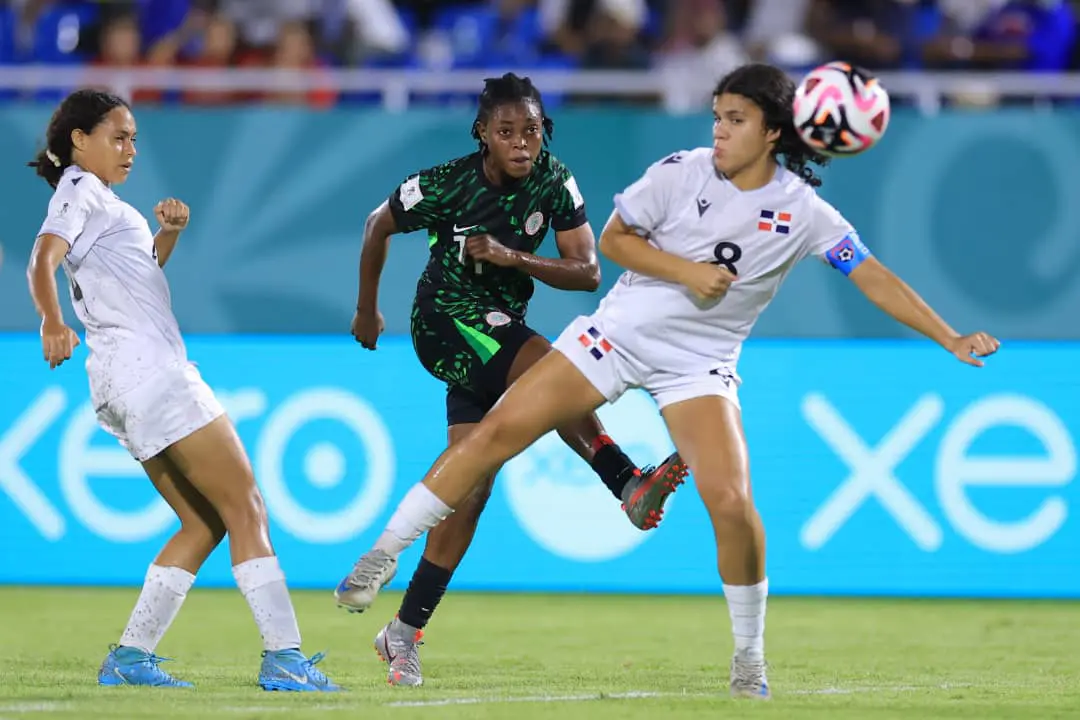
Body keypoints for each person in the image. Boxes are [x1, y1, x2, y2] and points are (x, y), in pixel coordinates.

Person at [332, 63, 1001, 699]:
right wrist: (686, 273)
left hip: (699, 366)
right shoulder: (681, 172)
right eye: (716, 116)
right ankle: (382, 555)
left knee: (732, 502)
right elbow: (619, 243)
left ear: (773, 131)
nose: (717, 130)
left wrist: (949, 336)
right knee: (496, 435)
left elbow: (871, 274)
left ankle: (748, 658)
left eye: (734, 119)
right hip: (614, 337)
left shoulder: (804, 211)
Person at [333, 72, 688, 687]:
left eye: (531, 129)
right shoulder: (445, 184)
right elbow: (376, 225)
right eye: (506, 132)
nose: (521, 142)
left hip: (499, 326)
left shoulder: (554, 178)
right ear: (483, 136)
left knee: (471, 483)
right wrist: (367, 308)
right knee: (553, 368)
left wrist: (511, 256)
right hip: (443, 320)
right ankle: (625, 479)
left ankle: (403, 633)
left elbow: (587, 271)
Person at [25, 88, 339, 693]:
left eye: (135, 138)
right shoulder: (79, 190)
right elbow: (42, 257)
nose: (131, 149)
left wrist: (165, 236)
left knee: (202, 523)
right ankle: (284, 657)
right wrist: (50, 319)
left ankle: (131, 657)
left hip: (119, 382)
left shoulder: (99, 201)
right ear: (78, 141)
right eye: (118, 137)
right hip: (153, 372)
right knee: (245, 502)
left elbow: (136, 273)